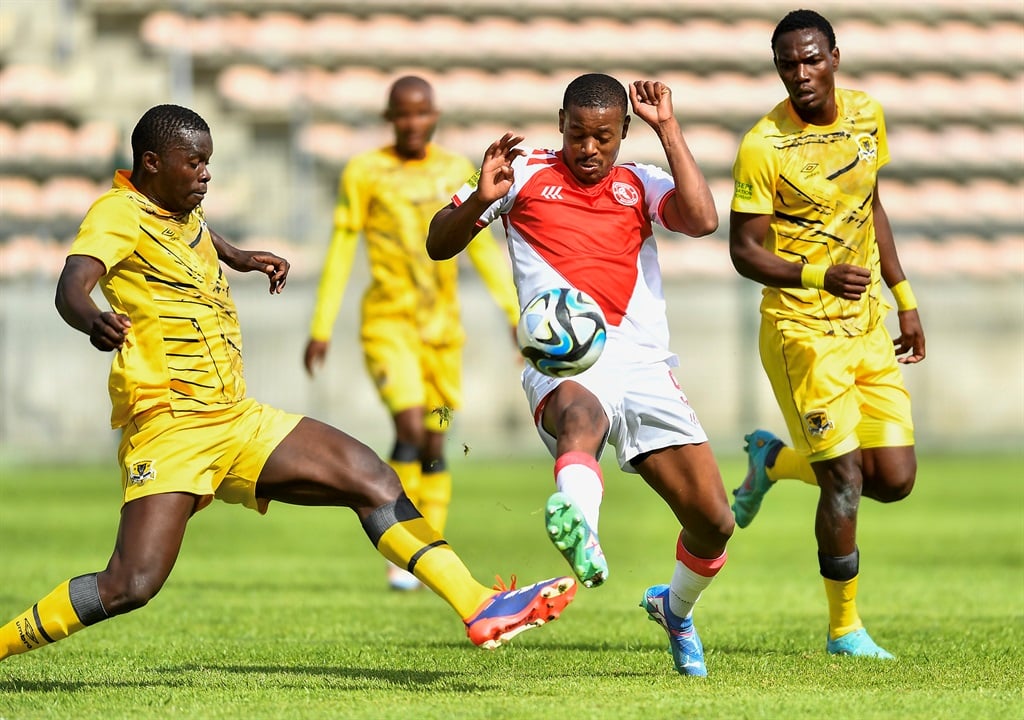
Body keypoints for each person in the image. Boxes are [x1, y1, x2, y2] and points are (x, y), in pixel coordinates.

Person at [0, 104, 576, 665]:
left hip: (236, 417)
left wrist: (241, 256)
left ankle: (478, 605)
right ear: (151, 163)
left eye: (209, 162)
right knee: (132, 582)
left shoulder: (180, 210)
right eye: (194, 163)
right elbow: (72, 284)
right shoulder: (116, 213)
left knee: (372, 477)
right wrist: (92, 317)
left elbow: (199, 236)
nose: (206, 174)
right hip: (172, 426)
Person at [427, 73, 733, 676]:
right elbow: (439, 241)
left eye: (603, 138)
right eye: (577, 134)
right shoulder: (523, 173)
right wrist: (480, 196)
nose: (589, 149)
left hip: (644, 363)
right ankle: (582, 531)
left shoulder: (639, 182)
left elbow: (701, 220)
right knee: (581, 417)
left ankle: (674, 608)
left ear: (622, 131)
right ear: (559, 122)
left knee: (714, 521)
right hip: (564, 353)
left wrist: (668, 128)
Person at [728, 9, 925, 659]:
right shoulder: (764, 143)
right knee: (843, 480)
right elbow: (743, 250)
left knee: (893, 479)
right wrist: (814, 274)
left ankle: (773, 462)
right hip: (801, 330)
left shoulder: (868, 116)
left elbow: (871, 205)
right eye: (787, 63)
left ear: (835, 57)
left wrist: (904, 297)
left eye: (811, 59)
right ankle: (845, 630)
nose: (800, 74)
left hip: (866, 326)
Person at [303, 76, 521, 591]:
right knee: (408, 426)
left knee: (437, 436)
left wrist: (514, 313)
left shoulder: (453, 169)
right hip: (388, 327)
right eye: (403, 114)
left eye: (422, 113)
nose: (413, 122)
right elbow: (340, 248)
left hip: (444, 335)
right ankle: (404, 550)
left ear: (435, 116)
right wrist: (320, 326)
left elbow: (482, 246)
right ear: (390, 117)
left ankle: (428, 545)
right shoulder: (365, 171)